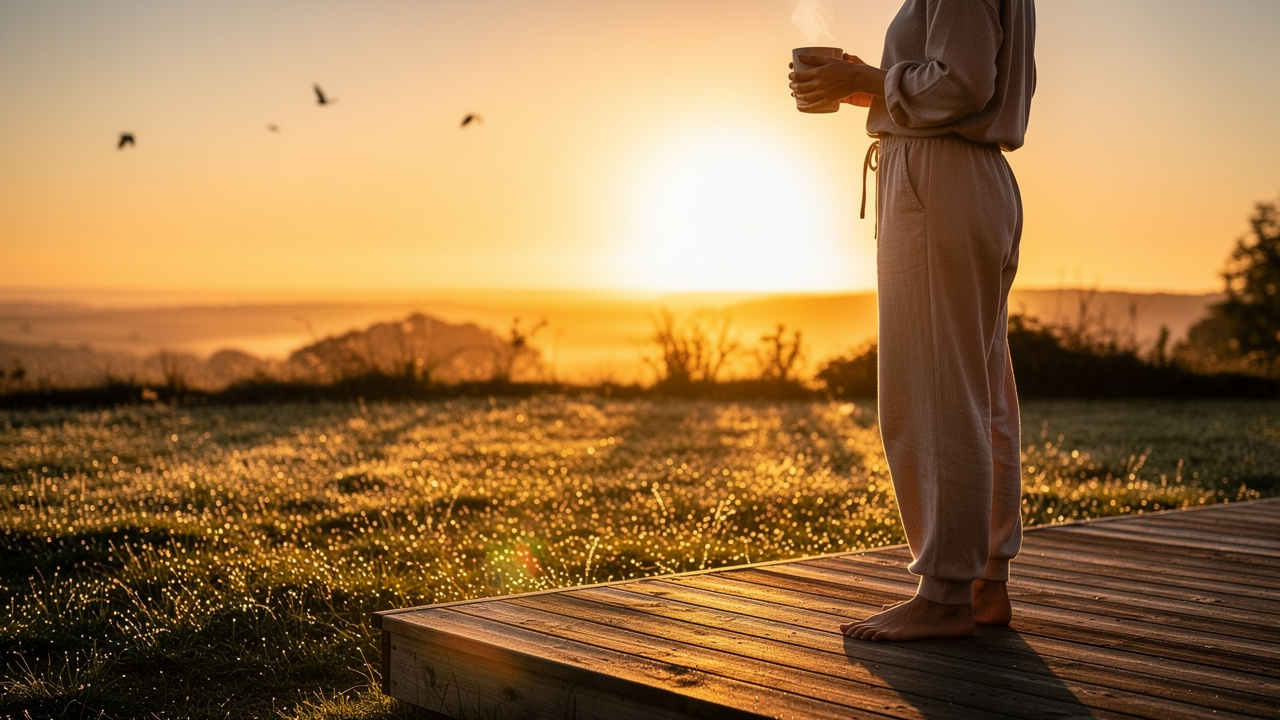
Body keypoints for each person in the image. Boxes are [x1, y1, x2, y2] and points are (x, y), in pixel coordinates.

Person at [789, 0, 1036, 641]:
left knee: (932, 395)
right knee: (979, 394)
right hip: (970, 181)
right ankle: (983, 582)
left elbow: (961, 83)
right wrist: (864, 84)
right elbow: (965, 79)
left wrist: (869, 79)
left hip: (937, 180)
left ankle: (946, 596)